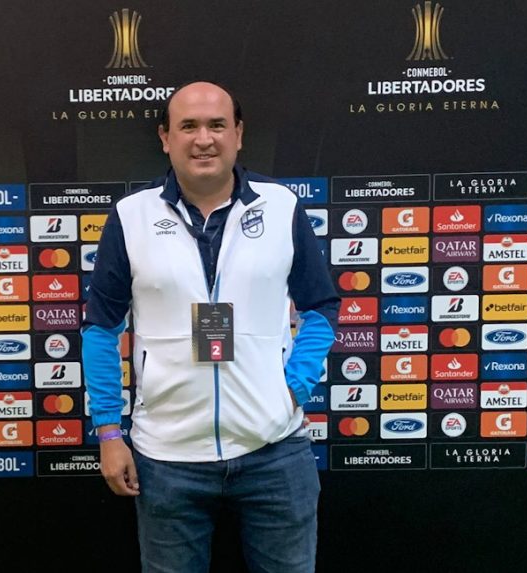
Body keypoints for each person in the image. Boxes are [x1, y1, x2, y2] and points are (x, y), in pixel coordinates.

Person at [82, 80, 339, 573]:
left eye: (217, 125)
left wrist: (293, 388)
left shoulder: (281, 207)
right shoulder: (131, 217)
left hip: (274, 450)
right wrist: (109, 431)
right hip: (167, 457)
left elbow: (321, 307)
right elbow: (100, 329)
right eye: (189, 126)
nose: (204, 139)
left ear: (238, 134)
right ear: (166, 137)